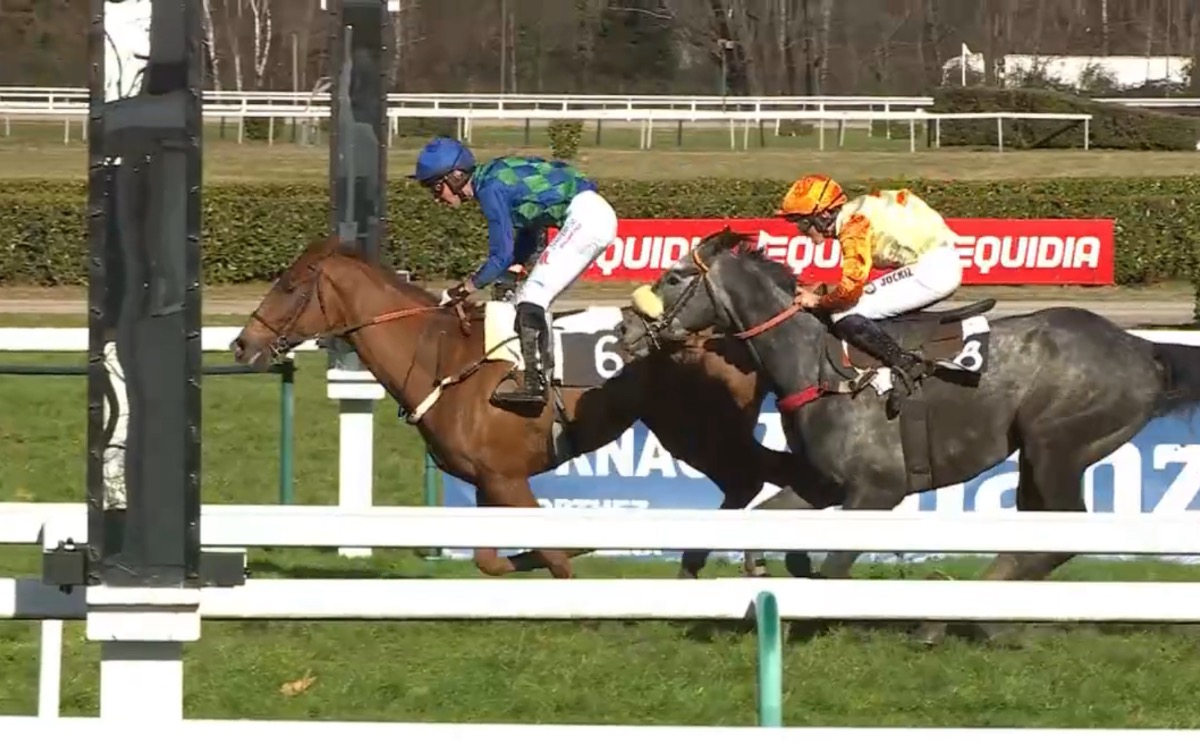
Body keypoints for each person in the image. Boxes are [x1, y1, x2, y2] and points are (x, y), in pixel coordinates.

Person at [411, 136, 619, 406]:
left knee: (532, 298)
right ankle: (537, 375)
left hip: (587, 218)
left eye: (436, 187)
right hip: (590, 215)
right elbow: (530, 230)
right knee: (525, 299)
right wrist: (513, 269)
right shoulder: (494, 177)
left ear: (456, 176)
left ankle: (535, 385)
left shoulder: (490, 188)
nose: (436, 197)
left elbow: (500, 255)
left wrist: (462, 289)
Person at [777, 174, 964, 413]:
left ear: (824, 215)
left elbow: (850, 291)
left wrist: (819, 301)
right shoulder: (855, 212)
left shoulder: (853, 226)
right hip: (935, 262)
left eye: (803, 223)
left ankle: (906, 366)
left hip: (933, 269)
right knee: (863, 304)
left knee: (843, 313)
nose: (800, 231)